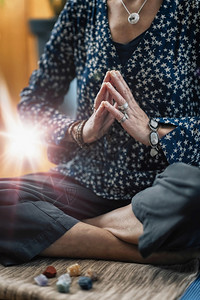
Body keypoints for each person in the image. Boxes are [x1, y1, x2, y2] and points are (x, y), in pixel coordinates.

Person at [0, 0, 200, 267]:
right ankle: (141, 247)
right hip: (86, 181)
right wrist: (82, 130)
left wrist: (153, 130)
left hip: (163, 189)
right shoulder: (81, 8)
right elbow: (33, 104)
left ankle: (69, 230)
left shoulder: (191, 9)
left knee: (194, 192)